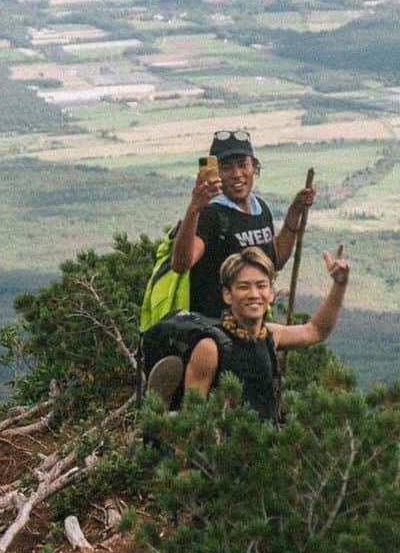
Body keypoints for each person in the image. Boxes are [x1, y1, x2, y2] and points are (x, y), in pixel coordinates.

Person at [143, 128, 315, 394]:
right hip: (214, 336)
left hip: (249, 332)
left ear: (254, 167)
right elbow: (182, 263)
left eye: (242, 164)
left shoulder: (261, 210)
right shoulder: (212, 215)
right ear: (216, 172)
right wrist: (195, 208)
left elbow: (275, 259)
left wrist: (294, 213)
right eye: (226, 166)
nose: (236, 174)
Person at [150, 244, 350, 422]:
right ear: (228, 295)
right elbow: (193, 419)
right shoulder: (210, 348)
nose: (254, 294)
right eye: (244, 287)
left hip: (263, 453)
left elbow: (316, 331)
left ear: (271, 293)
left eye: (261, 286)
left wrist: (339, 285)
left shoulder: (270, 335)